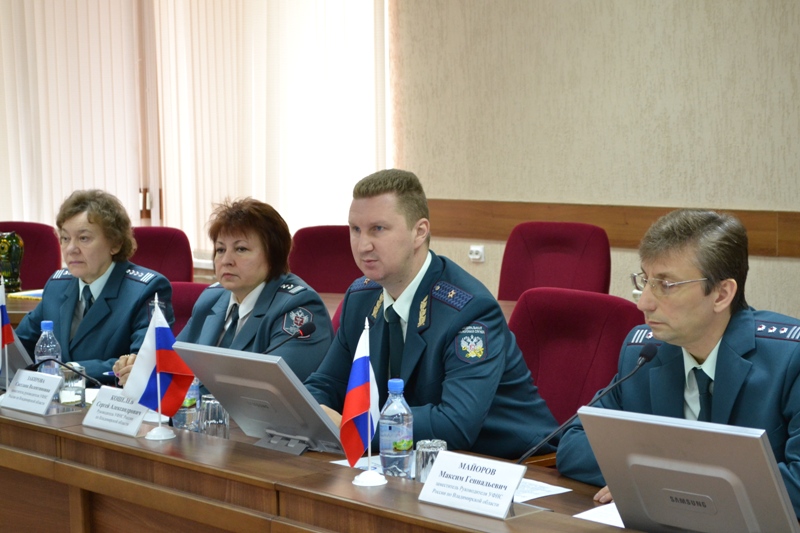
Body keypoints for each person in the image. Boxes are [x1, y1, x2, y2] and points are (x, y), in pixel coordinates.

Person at [555, 209, 800, 517]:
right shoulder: (643, 351)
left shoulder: (790, 360)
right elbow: (574, 445)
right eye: (645, 280)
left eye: (666, 285)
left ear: (722, 294)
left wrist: (664, 487)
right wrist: (651, 481)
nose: (644, 302)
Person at [303, 169, 558, 459]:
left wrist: (357, 429)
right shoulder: (361, 296)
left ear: (419, 232)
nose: (363, 245)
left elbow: (455, 424)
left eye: (378, 229)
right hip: (413, 459)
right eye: (355, 229)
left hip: (509, 465)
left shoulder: (470, 311)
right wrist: (307, 416)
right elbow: (327, 383)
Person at [114, 198, 333, 385]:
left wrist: (175, 381)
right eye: (220, 249)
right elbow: (173, 363)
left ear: (273, 255)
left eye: (241, 249)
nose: (226, 260)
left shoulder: (298, 308)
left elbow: (269, 391)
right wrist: (143, 369)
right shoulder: (212, 299)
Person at [15, 189, 174, 384]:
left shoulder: (147, 290)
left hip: (112, 407)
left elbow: (145, 364)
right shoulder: (57, 285)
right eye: (65, 238)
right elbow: (17, 347)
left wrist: (69, 370)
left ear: (115, 244)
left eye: (84, 238)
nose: (71, 249)